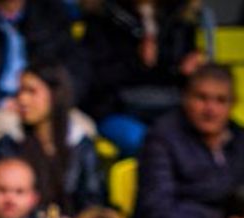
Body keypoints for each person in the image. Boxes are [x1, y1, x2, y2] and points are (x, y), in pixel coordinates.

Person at [134, 63, 244, 218]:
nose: (210, 109)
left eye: (221, 100)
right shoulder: (161, 137)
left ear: (233, 103)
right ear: (185, 98)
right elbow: (156, 209)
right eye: (202, 98)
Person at [0, 62, 104, 218]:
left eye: (31, 91)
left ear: (55, 94)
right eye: (20, 91)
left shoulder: (80, 142)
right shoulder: (9, 143)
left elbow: (92, 201)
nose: (22, 99)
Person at [81, 0, 205, 157]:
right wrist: (136, 61)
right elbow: (94, 80)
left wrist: (188, 72)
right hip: (115, 111)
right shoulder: (102, 18)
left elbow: (185, 83)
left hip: (169, 108)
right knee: (148, 143)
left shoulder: (180, 18)